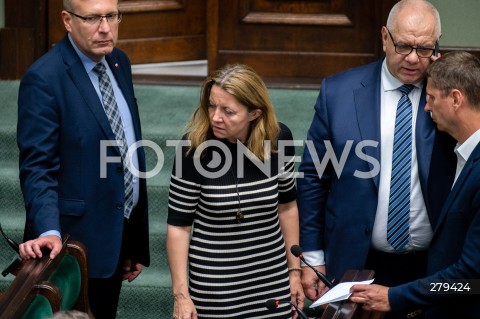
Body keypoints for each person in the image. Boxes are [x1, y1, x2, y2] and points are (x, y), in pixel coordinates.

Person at [297, 0, 456, 316]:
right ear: (385, 37)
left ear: (437, 48)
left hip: (432, 265)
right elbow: (314, 176)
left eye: (424, 49)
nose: (413, 58)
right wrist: (313, 257)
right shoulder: (338, 92)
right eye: (403, 45)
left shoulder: (451, 97)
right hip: (356, 261)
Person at [16, 0, 150, 318]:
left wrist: (131, 241)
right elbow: (38, 168)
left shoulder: (119, 62)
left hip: (115, 237)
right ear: (67, 19)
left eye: (112, 16)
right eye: (92, 18)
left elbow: (127, 149)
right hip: (71, 251)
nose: (105, 27)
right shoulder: (44, 79)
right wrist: (48, 230)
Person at [166, 64, 304, 318]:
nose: (215, 117)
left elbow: (287, 206)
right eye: (211, 106)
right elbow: (179, 227)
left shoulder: (278, 138)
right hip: (215, 287)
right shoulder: (194, 148)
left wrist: (294, 273)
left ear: (254, 113)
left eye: (228, 111)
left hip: (271, 281)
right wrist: (181, 295)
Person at [350, 51, 480, 319]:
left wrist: (395, 297)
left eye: (431, 98)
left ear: (456, 99)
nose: (426, 107)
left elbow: (471, 278)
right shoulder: (463, 155)